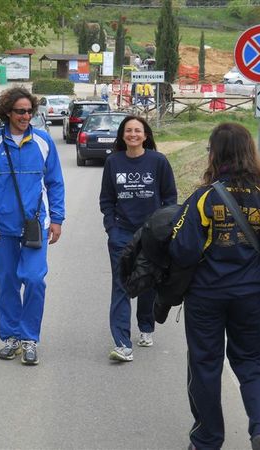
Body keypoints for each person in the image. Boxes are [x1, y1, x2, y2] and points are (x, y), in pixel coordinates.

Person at [168, 123, 260, 450]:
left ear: (216, 154)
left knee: (205, 365)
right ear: (248, 153)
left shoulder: (203, 199)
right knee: (252, 362)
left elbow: (182, 250)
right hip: (251, 296)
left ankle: (207, 440)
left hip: (206, 297)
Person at [0, 86, 65, 366]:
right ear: (7, 112)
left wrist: (58, 218)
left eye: (29, 111)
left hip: (35, 226)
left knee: (35, 280)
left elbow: (55, 183)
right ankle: (11, 337)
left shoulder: (43, 142)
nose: (26, 116)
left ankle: (29, 339)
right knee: (8, 284)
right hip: (3, 229)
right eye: (20, 111)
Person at [100, 115, 177, 362]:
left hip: (152, 234)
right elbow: (107, 199)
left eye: (138, 131)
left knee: (147, 282)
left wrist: (164, 228)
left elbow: (170, 198)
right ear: (123, 135)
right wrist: (111, 227)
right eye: (129, 131)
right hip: (122, 233)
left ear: (145, 135)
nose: (133, 134)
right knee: (122, 284)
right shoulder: (113, 162)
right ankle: (122, 343)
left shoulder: (158, 161)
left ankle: (146, 326)